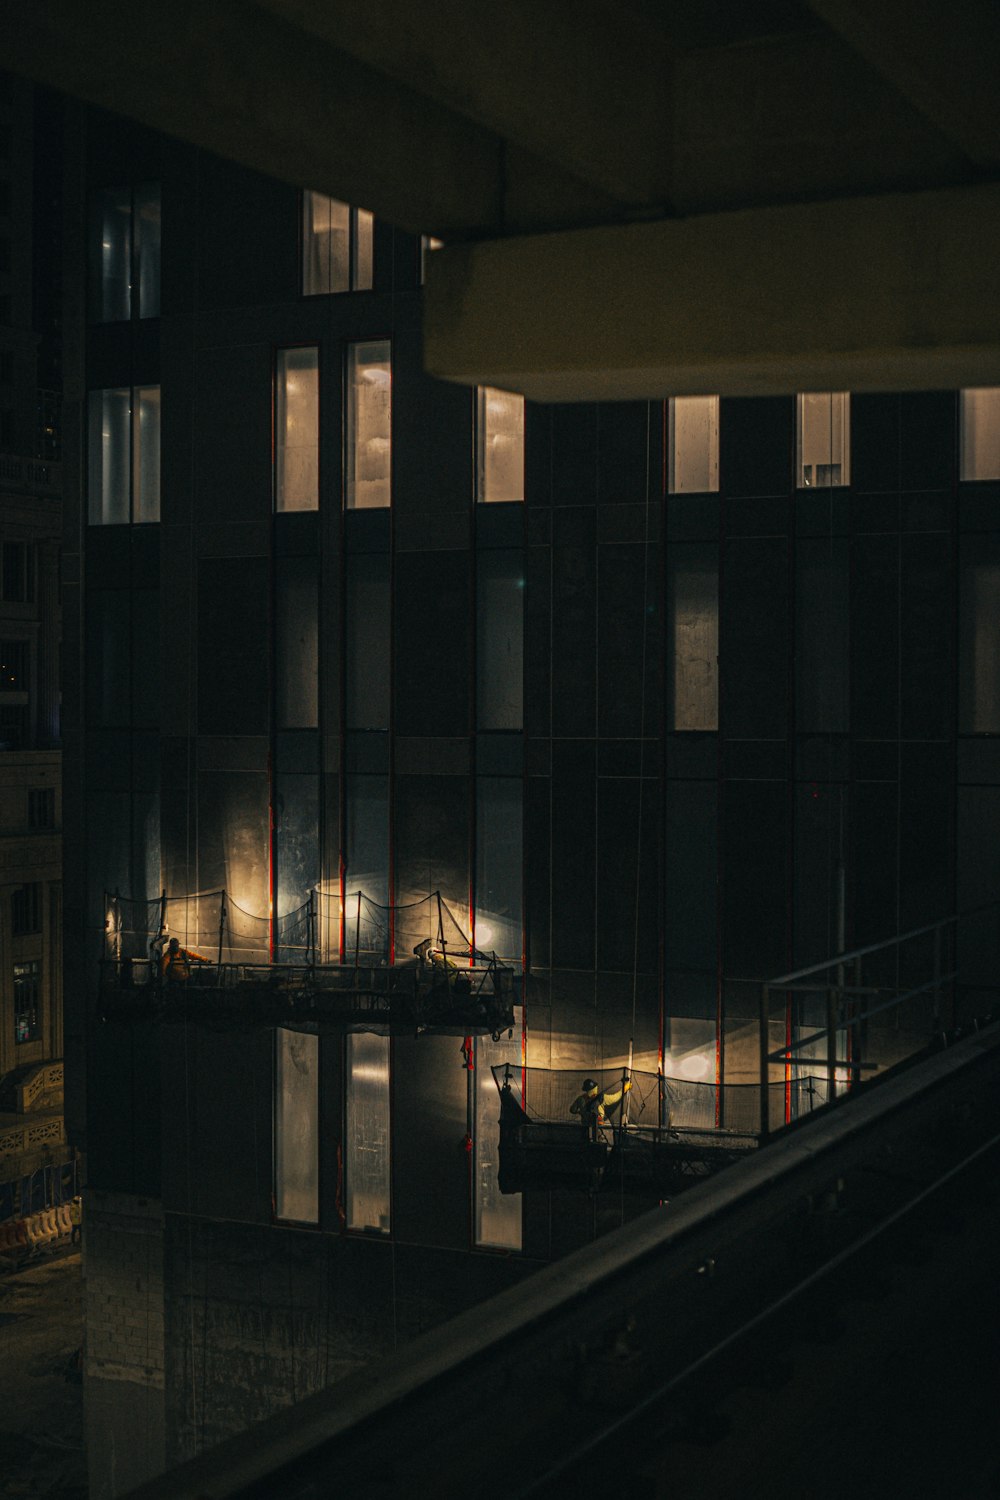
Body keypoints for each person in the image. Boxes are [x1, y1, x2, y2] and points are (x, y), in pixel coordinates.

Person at [570, 1074, 632, 1142]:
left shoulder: (580, 1099)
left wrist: (580, 1112)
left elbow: (572, 1110)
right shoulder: (601, 1098)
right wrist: (626, 1087)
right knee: (601, 1144)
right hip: (599, 1127)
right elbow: (616, 1097)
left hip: (586, 1127)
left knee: (587, 1145)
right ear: (595, 1088)